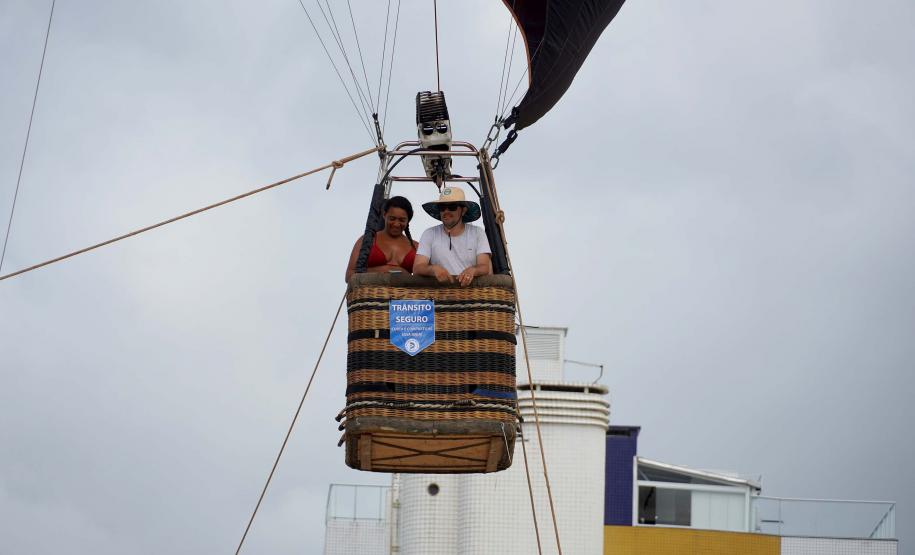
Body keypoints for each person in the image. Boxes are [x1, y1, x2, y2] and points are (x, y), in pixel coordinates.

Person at [413, 186, 492, 287]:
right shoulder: (429, 233)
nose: (446, 211)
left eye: (452, 207)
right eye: (442, 207)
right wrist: (433, 269)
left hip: (471, 292)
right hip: (439, 293)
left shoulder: (477, 233)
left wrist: (473, 270)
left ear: (463, 211)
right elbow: (417, 268)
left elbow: (484, 267)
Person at [345, 196, 418, 282]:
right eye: (392, 219)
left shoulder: (416, 247)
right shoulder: (367, 240)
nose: (396, 224)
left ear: (408, 220)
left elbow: (427, 278)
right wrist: (385, 270)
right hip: (370, 290)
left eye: (402, 220)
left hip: (405, 291)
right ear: (384, 215)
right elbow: (349, 275)